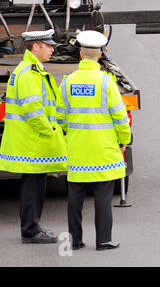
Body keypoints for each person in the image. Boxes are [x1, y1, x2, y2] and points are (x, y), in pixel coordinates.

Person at [56, 30, 131, 251]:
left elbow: (60, 116)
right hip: (103, 151)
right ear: (99, 55)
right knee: (103, 196)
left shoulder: (67, 82)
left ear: (80, 54)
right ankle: (104, 240)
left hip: (78, 150)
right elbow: (120, 116)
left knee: (75, 197)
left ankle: (75, 240)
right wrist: (124, 139)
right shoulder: (106, 82)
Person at [0, 29, 67, 244]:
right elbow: (34, 111)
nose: (52, 49)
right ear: (35, 46)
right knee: (33, 187)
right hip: (32, 141)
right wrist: (50, 131)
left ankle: (33, 226)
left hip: (32, 141)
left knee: (36, 186)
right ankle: (30, 230)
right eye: (48, 45)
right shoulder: (29, 73)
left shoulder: (32, 70)